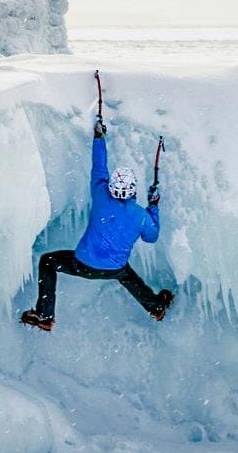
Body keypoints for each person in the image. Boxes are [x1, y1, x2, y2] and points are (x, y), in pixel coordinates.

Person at [20, 115, 174, 331]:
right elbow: (152, 237)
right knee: (127, 276)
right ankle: (156, 307)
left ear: (111, 186)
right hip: (114, 269)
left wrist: (99, 137)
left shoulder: (101, 194)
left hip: (82, 263)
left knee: (48, 261)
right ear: (133, 190)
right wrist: (153, 205)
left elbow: (99, 167)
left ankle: (45, 314)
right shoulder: (140, 216)